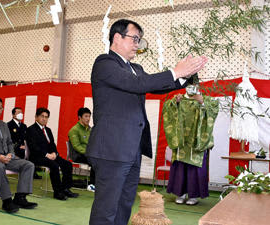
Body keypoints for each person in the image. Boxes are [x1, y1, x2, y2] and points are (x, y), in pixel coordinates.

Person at [86, 19, 208, 225]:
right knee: (106, 208)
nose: (137, 44)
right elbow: (137, 84)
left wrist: (184, 75)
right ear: (117, 37)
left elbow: (155, 85)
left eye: (139, 40)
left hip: (131, 149)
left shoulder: (135, 68)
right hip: (112, 149)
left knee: (124, 204)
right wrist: (175, 72)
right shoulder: (105, 63)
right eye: (134, 39)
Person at [163, 92, 219, 205]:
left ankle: (193, 196)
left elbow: (213, 111)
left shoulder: (205, 99)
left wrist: (202, 103)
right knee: (180, 168)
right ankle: (180, 194)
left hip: (196, 141)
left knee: (194, 170)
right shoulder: (179, 98)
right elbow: (167, 108)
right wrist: (175, 103)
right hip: (181, 140)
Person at [26, 107, 79, 200]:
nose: (44, 119)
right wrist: (47, 154)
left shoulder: (48, 130)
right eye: (42, 116)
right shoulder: (31, 129)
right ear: (36, 117)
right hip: (37, 157)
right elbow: (33, 147)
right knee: (54, 165)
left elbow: (52, 144)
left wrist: (55, 153)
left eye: (46, 117)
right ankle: (57, 192)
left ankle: (65, 188)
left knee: (67, 164)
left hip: (50, 155)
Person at [68, 107, 95, 192]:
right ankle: (92, 184)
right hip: (78, 155)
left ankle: (97, 183)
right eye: (86, 116)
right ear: (80, 117)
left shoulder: (89, 129)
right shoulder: (74, 130)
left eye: (89, 116)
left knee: (101, 159)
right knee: (95, 161)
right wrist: (89, 153)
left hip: (88, 154)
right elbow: (77, 146)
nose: (88, 119)